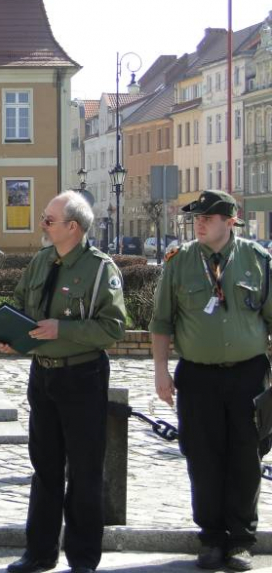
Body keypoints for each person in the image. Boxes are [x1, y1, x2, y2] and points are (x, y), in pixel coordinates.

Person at [0, 191, 126, 573]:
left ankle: (83, 558)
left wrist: (61, 329)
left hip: (82, 375)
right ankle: (39, 552)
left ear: (73, 227)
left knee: (85, 471)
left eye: (49, 220)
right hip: (44, 375)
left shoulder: (101, 269)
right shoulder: (40, 262)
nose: (43, 224)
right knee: (45, 468)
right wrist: (9, 335)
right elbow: (19, 305)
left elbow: (113, 327)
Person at [150, 190, 270, 572]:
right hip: (198, 375)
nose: (199, 223)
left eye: (208, 217)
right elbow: (161, 322)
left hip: (248, 374)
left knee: (246, 459)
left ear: (230, 221)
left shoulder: (258, 260)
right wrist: (161, 372)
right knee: (202, 459)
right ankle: (211, 539)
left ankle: (240, 540)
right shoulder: (179, 262)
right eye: (197, 217)